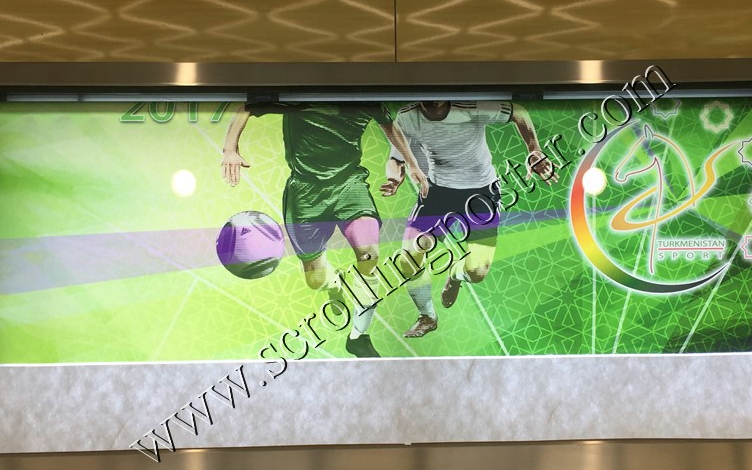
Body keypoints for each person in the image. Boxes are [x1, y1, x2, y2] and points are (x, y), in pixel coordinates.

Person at [222, 102, 428, 357]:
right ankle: (334, 285)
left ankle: (358, 336)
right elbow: (247, 106)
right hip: (305, 192)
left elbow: (390, 126)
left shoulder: (366, 97)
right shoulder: (298, 94)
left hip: (349, 184)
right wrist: (230, 149)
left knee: (369, 255)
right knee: (315, 280)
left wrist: (412, 164)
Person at [380, 100, 557, 338]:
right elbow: (395, 159)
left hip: (481, 193)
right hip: (437, 193)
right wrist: (393, 177)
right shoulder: (407, 117)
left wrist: (534, 149)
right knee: (408, 259)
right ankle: (427, 316)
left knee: (477, 273)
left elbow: (518, 112)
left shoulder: (472, 106)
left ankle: (456, 274)